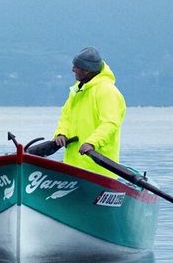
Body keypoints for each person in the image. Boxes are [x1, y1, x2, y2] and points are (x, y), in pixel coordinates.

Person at [53, 47, 126, 178]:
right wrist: (61, 133)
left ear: (87, 70)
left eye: (76, 66)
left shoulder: (107, 92)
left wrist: (92, 142)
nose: (72, 69)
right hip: (73, 167)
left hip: (99, 171)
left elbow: (110, 123)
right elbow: (66, 116)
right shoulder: (77, 91)